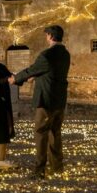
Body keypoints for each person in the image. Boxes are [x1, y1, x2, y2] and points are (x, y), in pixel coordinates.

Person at [10, 25, 70, 179]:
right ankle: (57, 168)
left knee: (41, 133)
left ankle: (39, 170)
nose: (46, 38)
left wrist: (15, 78)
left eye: (46, 35)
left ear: (50, 36)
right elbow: (51, 71)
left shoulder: (46, 55)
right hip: (59, 99)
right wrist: (37, 76)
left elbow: (33, 69)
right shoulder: (65, 54)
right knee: (55, 132)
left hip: (46, 99)